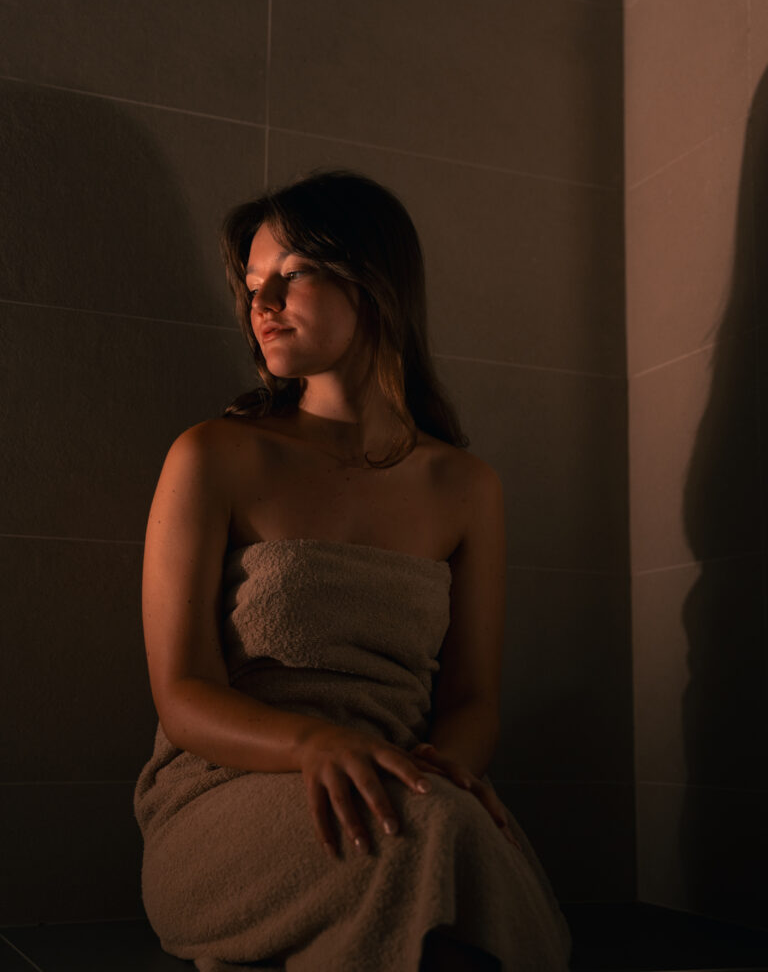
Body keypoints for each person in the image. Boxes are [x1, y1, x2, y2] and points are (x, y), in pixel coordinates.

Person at [133, 170, 571, 972]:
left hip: (401, 788)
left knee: (451, 833)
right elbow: (182, 695)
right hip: (225, 794)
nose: (260, 304)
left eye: (290, 275)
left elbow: (471, 700)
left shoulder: (465, 488)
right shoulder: (214, 457)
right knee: (435, 842)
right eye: (252, 284)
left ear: (371, 282)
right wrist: (315, 742)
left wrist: (448, 767)